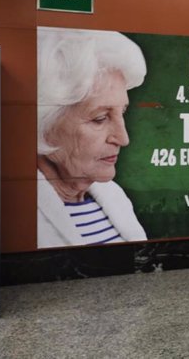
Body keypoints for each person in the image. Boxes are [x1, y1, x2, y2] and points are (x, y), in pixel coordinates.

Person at [37, 27, 148, 248]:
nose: (123, 138)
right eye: (100, 118)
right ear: (43, 124)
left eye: (122, 112)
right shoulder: (7, 210)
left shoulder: (114, 195)